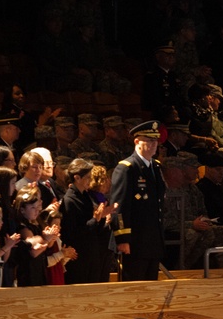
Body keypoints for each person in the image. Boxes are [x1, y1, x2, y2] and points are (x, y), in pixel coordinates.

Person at [110, 121, 166, 281]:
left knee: (150, 289)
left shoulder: (155, 167)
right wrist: (122, 239)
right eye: (149, 140)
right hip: (134, 241)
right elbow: (119, 206)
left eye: (155, 141)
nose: (153, 145)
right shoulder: (127, 168)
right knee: (133, 288)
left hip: (153, 240)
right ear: (137, 142)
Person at [61, 159, 116, 284]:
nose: (90, 181)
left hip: (92, 254)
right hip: (79, 258)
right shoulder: (69, 200)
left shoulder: (85, 196)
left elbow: (95, 228)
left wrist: (101, 218)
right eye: (87, 177)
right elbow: (73, 233)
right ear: (77, 178)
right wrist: (95, 219)